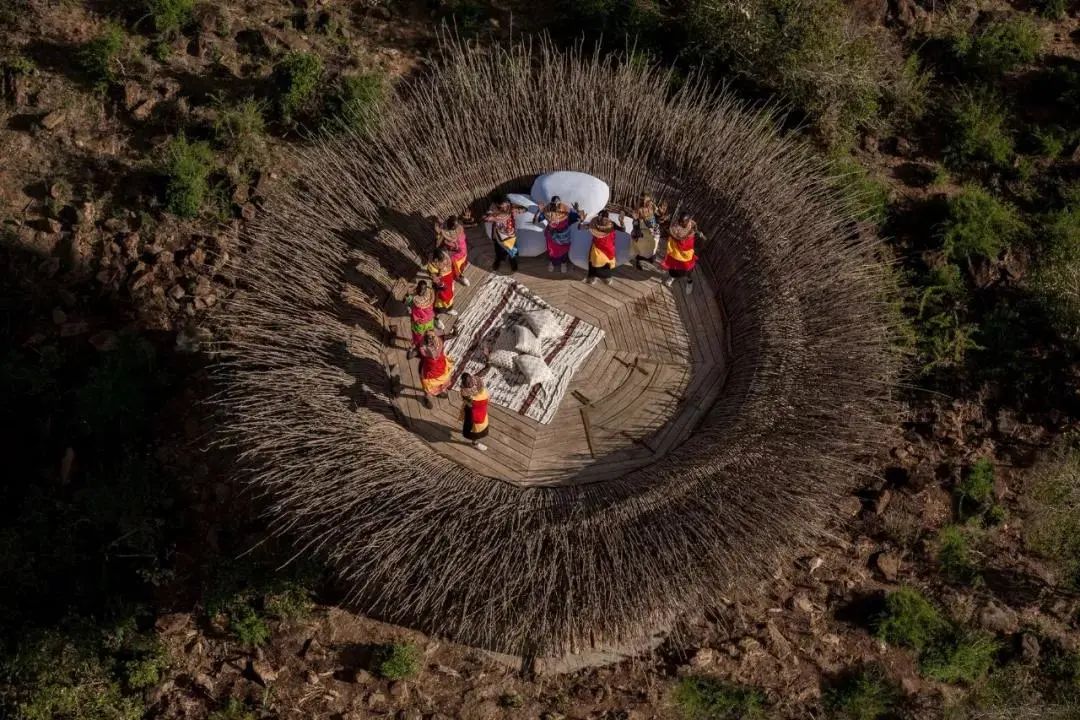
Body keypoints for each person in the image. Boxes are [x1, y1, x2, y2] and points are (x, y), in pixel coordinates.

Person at [533, 195, 579, 273]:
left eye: (557, 203)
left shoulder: (567, 211)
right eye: (554, 203)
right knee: (552, 251)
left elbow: (577, 218)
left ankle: (563, 263)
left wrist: (576, 210)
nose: (556, 205)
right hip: (551, 234)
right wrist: (539, 211)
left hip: (564, 235)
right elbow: (536, 221)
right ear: (551, 203)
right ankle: (552, 262)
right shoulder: (547, 211)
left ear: (560, 203)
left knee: (564, 250)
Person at [660, 211, 699, 295]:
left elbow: (685, 241)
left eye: (683, 222)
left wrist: (676, 238)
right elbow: (672, 233)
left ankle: (689, 281)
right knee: (674, 267)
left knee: (687, 268)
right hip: (676, 251)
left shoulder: (692, 227)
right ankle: (672, 277)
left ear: (688, 221)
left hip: (686, 252)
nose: (680, 223)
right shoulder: (676, 226)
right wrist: (671, 234)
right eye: (680, 221)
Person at [483, 200, 525, 273]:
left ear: (507, 203)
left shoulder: (511, 208)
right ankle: (498, 259)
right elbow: (485, 218)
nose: (503, 207)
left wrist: (514, 208)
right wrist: (490, 215)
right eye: (500, 206)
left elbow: (524, 209)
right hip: (498, 234)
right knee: (498, 249)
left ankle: (513, 261)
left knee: (512, 249)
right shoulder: (495, 210)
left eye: (504, 205)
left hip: (510, 234)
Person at [630, 193, 665, 270]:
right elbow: (635, 221)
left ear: (649, 199)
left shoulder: (652, 206)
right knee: (641, 247)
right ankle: (639, 260)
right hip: (642, 230)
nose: (644, 201)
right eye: (642, 199)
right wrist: (636, 230)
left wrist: (661, 214)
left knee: (653, 245)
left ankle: (650, 257)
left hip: (653, 230)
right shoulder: (637, 209)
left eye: (646, 199)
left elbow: (658, 217)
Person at [418, 330, 452, 408]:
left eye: (431, 338)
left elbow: (447, 337)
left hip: (442, 370)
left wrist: (454, 333)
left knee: (442, 383)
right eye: (428, 339)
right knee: (428, 388)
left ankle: (439, 392)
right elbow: (411, 355)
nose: (430, 340)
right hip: (430, 375)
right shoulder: (422, 349)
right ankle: (428, 398)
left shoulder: (439, 341)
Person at [425, 248, 458, 329]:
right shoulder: (431, 266)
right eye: (440, 261)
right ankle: (435, 318)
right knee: (439, 303)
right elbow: (435, 279)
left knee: (450, 297)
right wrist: (442, 285)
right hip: (441, 286)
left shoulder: (445, 256)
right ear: (436, 260)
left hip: (449, 282)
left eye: (443, 260)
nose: (443, 263)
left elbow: (450, 267)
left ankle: (449, 309)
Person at [583, 210, 619, 285]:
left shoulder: (611, 225)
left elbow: (622, 229)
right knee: (594, 260)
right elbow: (580, 227)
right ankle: (592, 277)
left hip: (608, 247)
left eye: (603, 217)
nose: (601, 218)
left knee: (605, 263)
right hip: (596, 247)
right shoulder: (594, 224)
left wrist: (622, 222)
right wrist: (581, 220)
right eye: (600, 216)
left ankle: (607, 277)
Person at [403, 279, 436, 359]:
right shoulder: (429, 297)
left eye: (423, 289)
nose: (422, 291)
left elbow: (404, 301)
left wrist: (407, 298)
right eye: (421, 289)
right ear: (418, 288)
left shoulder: (413, 298)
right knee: (425, 335)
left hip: (421, 323)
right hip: (428, 321)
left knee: (418, 337)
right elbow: (405, 301)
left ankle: (417, 346)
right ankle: (424, 344)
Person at [435, 215, 470, 286]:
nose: (455, 228)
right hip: (460, 248)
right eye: (453, 227)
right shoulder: (456, 228)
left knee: (451, 260)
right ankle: (459, 275)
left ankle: (459, 276)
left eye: (455, 227)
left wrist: (442, 234)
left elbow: (451, 242)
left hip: (460, 250)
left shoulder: (456, 232)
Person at [459, 372, 489, 451]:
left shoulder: (476, 379)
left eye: (470, 382)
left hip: (479, 408)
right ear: (464, 384)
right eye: (467, 383)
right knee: (474, 427)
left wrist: (488, 362)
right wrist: (482, 396)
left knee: (478, 424)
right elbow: (472, 402)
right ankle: (474, 442)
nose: (469, 384)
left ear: (472, 378)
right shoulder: (464, 391)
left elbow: (484, 372)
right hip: (471, 410)